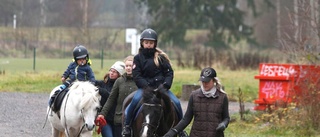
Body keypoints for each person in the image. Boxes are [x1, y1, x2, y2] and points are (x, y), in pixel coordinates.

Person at [122, 28, 186, 137]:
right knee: (133, 102)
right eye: (146, 43)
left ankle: (180, 130)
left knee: (176, 102)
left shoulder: (161, 57)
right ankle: (127, 127)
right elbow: (137, 75)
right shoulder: (138, 58)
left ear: (154, 44)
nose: (148, 45)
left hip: (161, 89)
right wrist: (146, 86)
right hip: (145, 89)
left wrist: (165, 85)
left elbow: (169, 72)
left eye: (151, 43)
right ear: (142, 43)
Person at [164, 67, 230, 137]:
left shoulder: (223, 97)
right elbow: (186, 119)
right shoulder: (194, 96)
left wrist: (224, 124)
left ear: (214, 81)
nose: (204, 84)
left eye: (207, 81)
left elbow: (226, 118)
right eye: (203, 81)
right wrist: (173, 131)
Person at [97, 55, 138, 137]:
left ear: (135, 66)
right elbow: (110, 99)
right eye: (127, 66)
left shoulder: (139, 81)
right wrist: (102, 114)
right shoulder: (119, 81)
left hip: (134, 120)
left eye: (131, 66)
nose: (128, 68)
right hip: (119, 120)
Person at [95, 61, 125, 137]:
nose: (111, 73)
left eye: (114, 72)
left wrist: (101, 90)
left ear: (119, 74)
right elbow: (90, 82)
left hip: (117, 121)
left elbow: (112, 97)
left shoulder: (121, 86)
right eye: (111, 71)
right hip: (105, 120)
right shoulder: (102, 83)